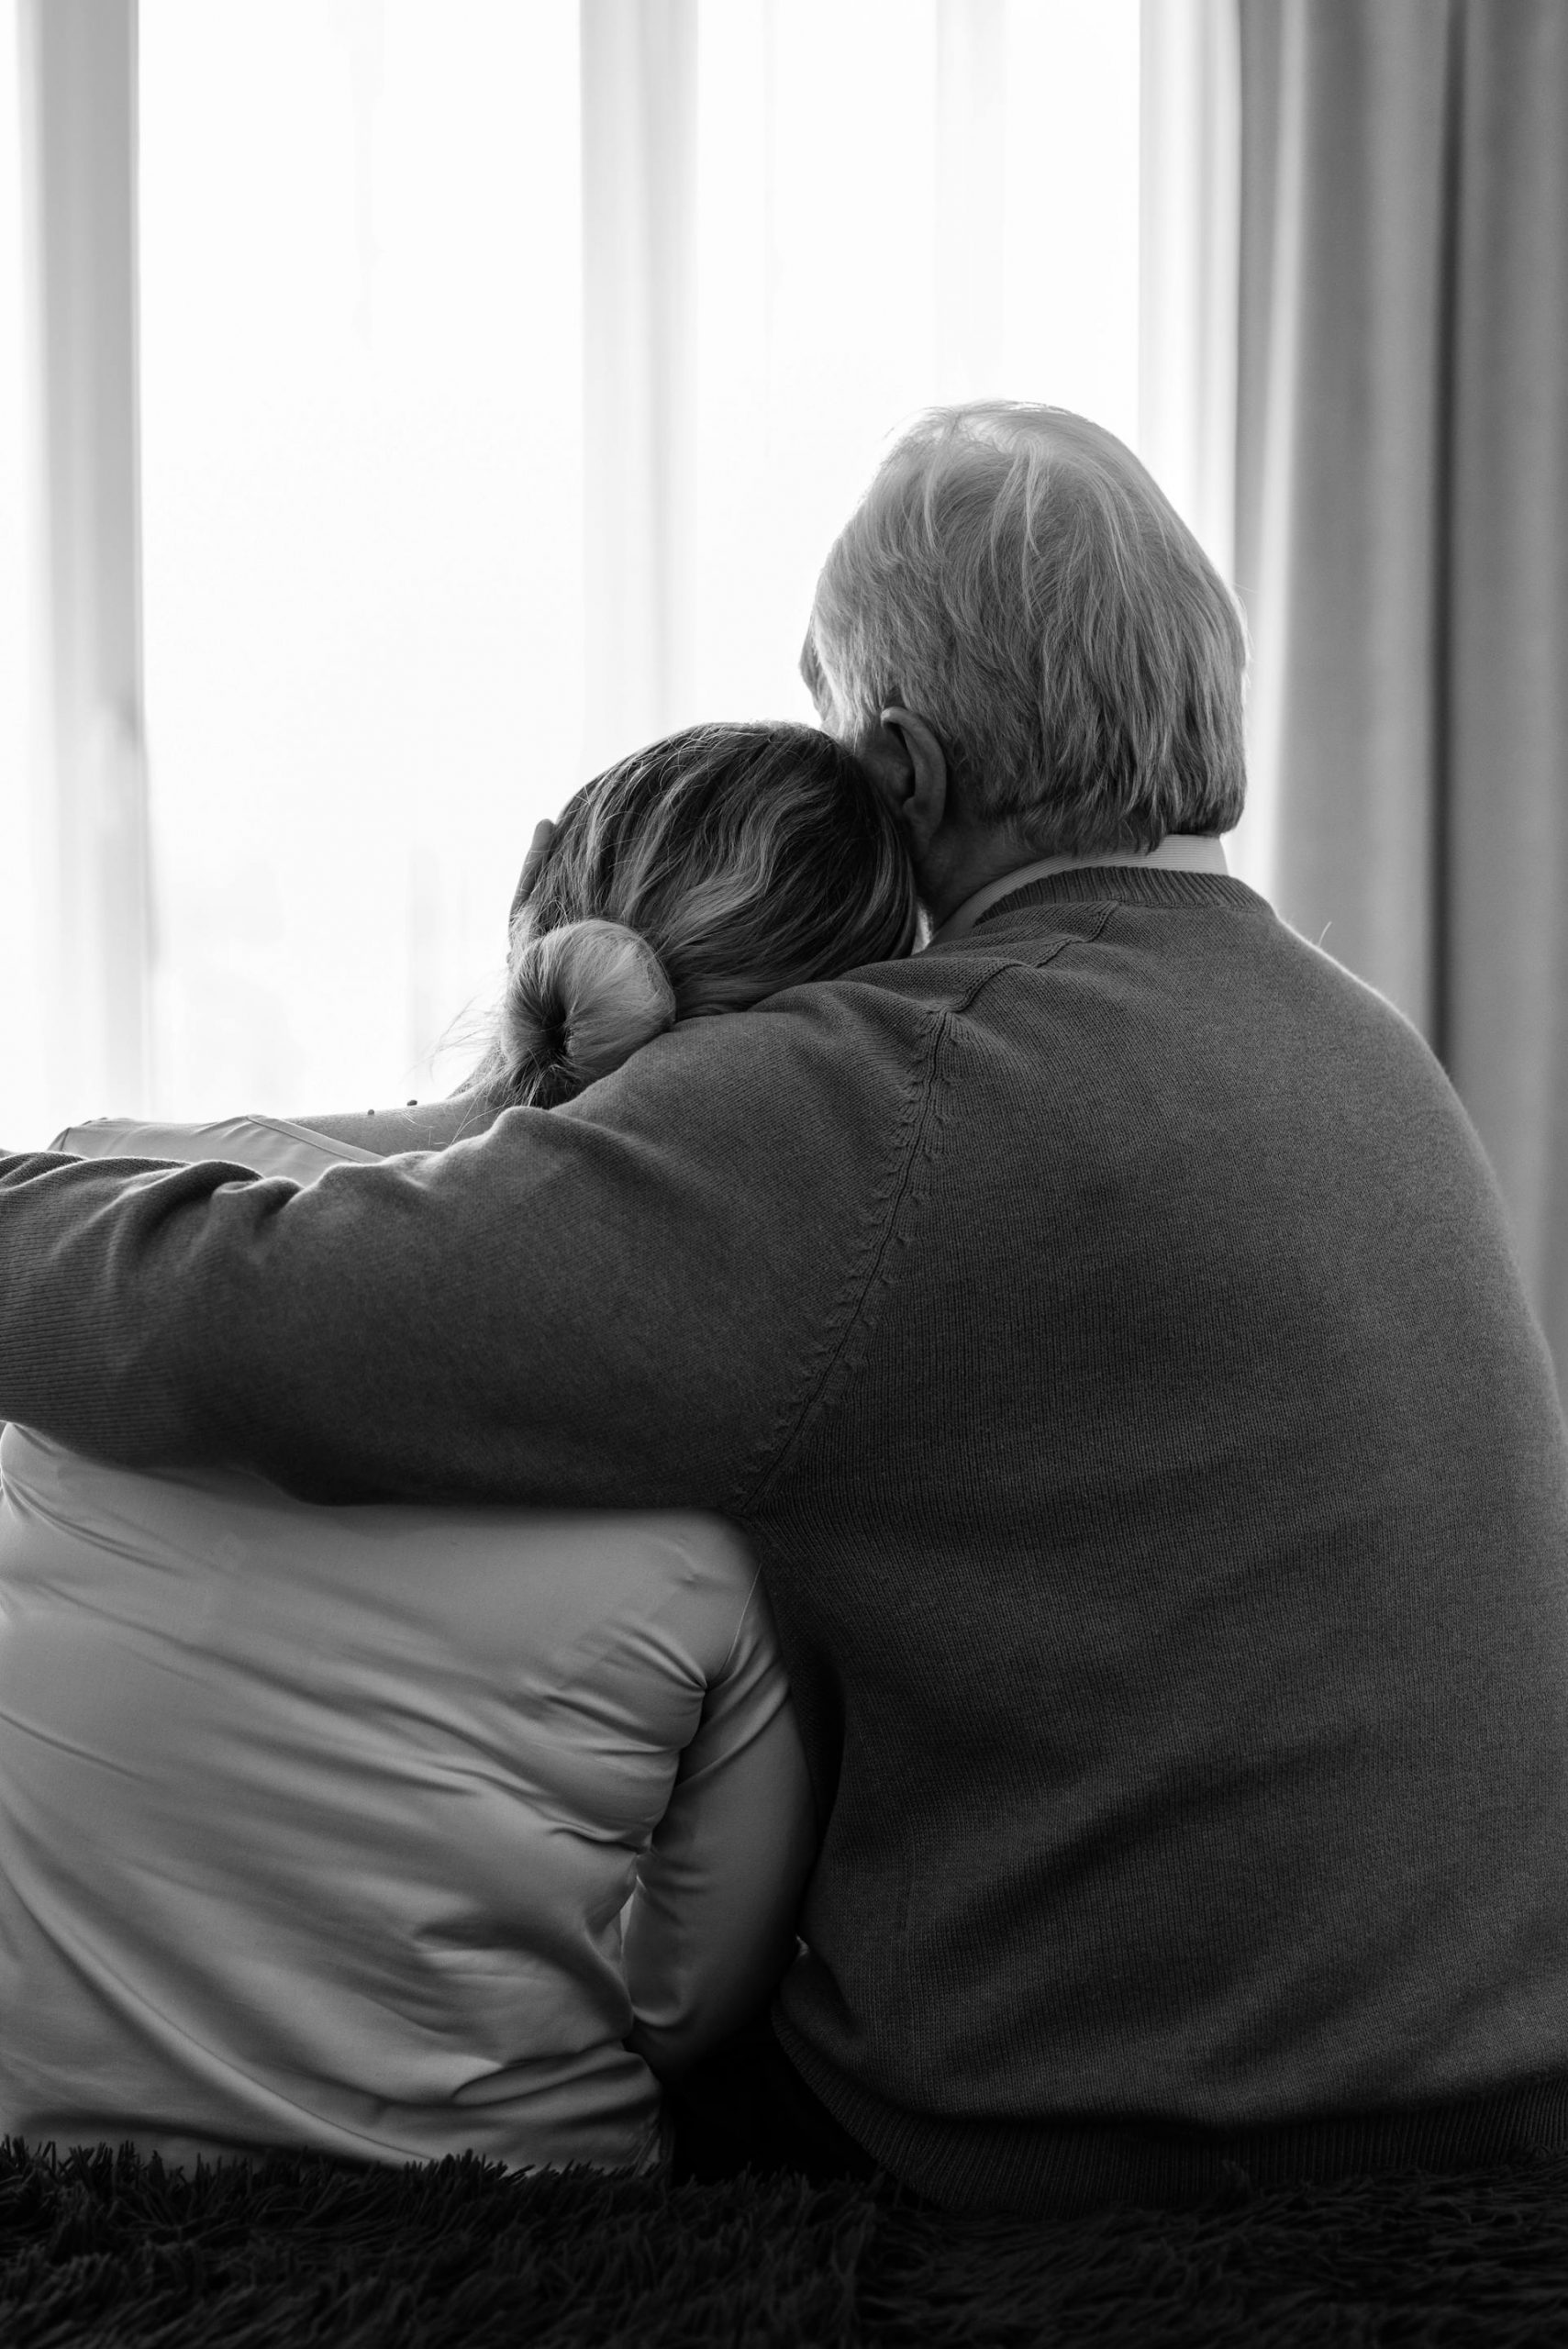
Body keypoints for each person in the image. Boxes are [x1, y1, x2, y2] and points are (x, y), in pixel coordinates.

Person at [6, 399, 1568, 2218]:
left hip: (1138, 2145)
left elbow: (266, 1317)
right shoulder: (1366, 1044)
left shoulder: (906, 1094)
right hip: (1496, 2089)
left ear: (898, 761)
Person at [0, 719, 916, 2178]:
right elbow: (683, 2005)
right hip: (506, 2229)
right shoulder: (722, 1504)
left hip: (49, 2183)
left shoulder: (86, 1256)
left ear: (533, 902)